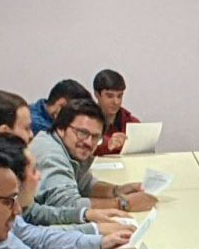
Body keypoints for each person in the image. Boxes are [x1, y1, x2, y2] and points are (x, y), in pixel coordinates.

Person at [0, 87, 133, 249]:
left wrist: (97, 236)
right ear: (4, 133)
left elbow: (28, 233)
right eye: (26, 128)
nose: (32, 135)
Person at [29, 97, 155, 226]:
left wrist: (117, 190)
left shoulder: (68, 147)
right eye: (82, 133)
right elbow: (68, 205)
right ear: (61, 128)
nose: (89, 142)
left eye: (95, 137)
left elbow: (85, 184)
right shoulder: (50, 154)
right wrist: (122, 203)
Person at [90, 67, 139, 154]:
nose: (116, 102)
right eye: (109, 96)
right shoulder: (85, 122)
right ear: (97, 94)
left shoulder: (132, 123)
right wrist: (107, 145)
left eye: (119, 96)